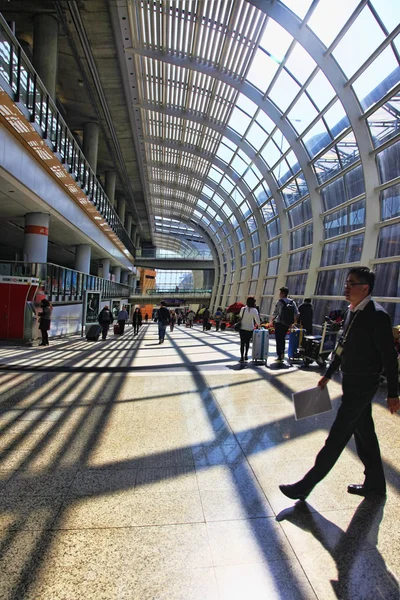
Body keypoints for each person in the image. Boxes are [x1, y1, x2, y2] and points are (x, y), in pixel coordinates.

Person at [279, 267, 400, 502]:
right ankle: (375, 483)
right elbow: (342, 348)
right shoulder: (350, 312)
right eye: (346, 282)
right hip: (350, 382)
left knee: (336, 437)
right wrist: (328, 373)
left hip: (364, 386)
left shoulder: (378, 316)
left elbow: (389, 358)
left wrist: (393, 393)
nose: (346, 287)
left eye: (351, 283)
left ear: (365, 288)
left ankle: (305, 485)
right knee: (365, 434)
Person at [269, 286, 298, 361]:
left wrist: (271, 321)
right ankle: (282, 353)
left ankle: (279, 355)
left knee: (279, 339)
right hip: (287, 324)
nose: (279, 294)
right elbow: (296, 313)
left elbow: (275, 312)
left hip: (280, 323)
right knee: (283, 338)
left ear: (283, 293)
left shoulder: (280, 302)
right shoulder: (292, 302)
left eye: (280, 293)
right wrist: (293, 322)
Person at [238, 297, 260, 362]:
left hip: (242, 328)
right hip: (250, 328)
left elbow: (240, 315)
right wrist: (259, 325)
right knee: (247, 342)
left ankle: (242, 357)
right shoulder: (254, 310)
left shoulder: (243, 309)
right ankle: (246, 355)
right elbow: (258, 321)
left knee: (242, 342)